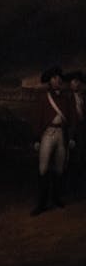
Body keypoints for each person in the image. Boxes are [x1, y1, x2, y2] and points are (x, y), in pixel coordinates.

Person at [30, 66, 75, 216]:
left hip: (61, 134)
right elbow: (37, 118)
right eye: (54, 78)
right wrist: (37, 138)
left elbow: (72, 119)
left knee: (59, 167)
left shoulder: (66, 98)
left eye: (58, 78)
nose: (57, 80)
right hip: (47, 134)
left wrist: (72, 137)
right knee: (43, 168)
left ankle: (56, 198)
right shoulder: (44, 98)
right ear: (50, 81)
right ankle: (42, 203)